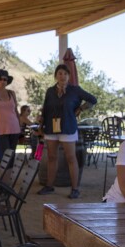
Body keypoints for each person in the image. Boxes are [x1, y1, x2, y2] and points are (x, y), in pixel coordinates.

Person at [37, 63, 96, 199]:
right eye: (59, 73)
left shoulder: (75, 90)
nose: (62, 76)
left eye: (65, 73)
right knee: (52, 157)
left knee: (71, 158)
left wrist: (81, 108)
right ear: (56, 76)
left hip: (68, 127)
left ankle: (75, 189)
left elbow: (93, 100)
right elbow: (45, 108)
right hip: (51, 128)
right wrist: (41, 124)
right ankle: (49, 186)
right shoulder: (50, 91)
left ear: (69, 76)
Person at [0, 69, 23, 166]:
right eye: (1, 79)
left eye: (5, 79)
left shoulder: (12, 93)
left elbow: (16, 111)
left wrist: (20, 124)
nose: (3, 81)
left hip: (14, 129)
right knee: (5, 157)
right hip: (0, 130)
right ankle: (2, 179)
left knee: (12, 156)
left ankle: (6, 180)